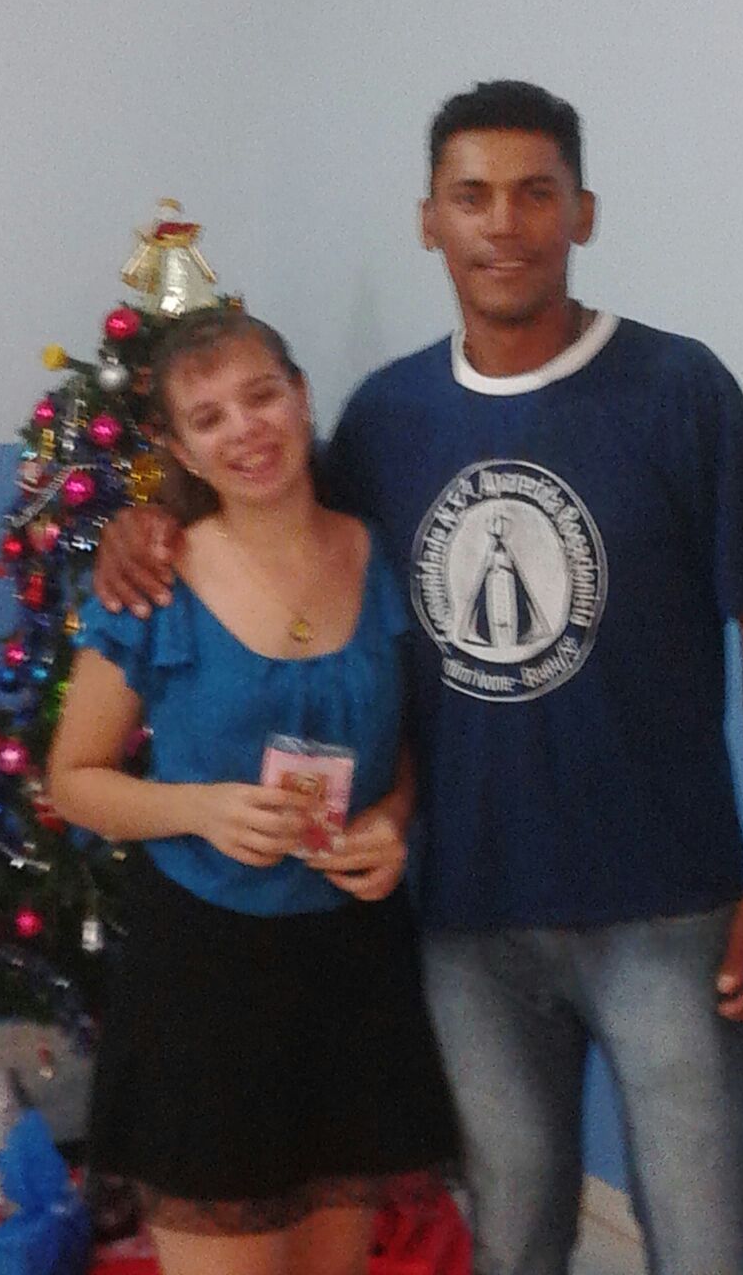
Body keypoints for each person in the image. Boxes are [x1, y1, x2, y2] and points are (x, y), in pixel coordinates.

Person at [92, 81, 743, 1275]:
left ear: (583, 211)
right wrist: (145, 521)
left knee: (708, 1242)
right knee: (510, 1238)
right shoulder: (389, 417)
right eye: (471, 196)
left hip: (669, 907)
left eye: (535, 192)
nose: (504, 223)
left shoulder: (681, 390)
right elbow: (272, 514)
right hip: (465, 921)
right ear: (429, 221)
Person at [48, 307, 459, 1275]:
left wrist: (395, 818)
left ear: (301, 395)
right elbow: (74, 779)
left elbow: (404, 746)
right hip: (208, 978)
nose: (246, 429)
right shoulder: (155, 582)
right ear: (180, 447)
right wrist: (201, 807)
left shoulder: (381, 556)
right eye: (210, 416)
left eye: (261, 395)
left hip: (352, 969)